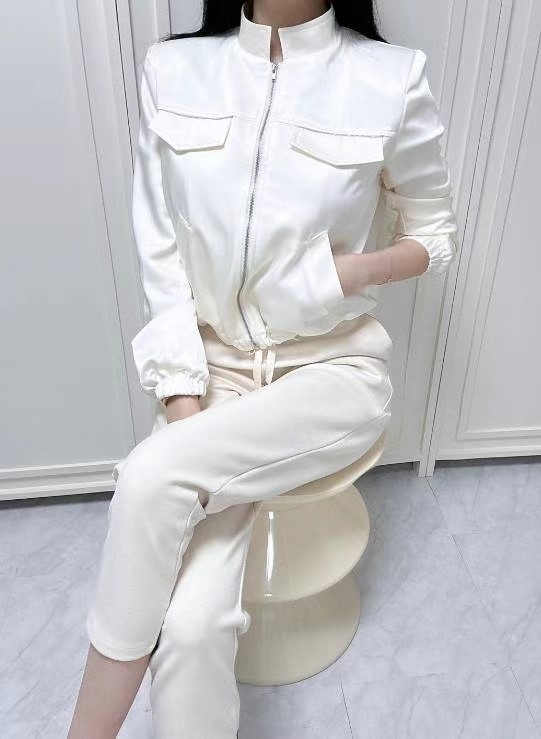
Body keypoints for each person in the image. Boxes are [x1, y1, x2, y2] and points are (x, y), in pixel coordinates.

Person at [68, 0, 459, 736]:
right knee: (189, 625)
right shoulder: (174, 69)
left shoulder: (391, 76)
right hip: (212, 372)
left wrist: (350, 272)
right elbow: (159, 255)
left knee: (150, 475)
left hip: (333, 373)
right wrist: (186, 402)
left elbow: (434, 234)